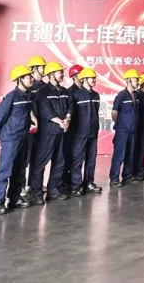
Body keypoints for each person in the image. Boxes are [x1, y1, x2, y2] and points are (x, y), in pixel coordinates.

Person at [0, 65, 35, 215]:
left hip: (23, 137)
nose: (32, 79)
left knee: (19, 170)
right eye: (29, 77)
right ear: (20, 79)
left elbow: (26, 115)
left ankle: (14, 198)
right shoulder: (11, 97)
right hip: (11, 138)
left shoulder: (28, 95)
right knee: (5, 170)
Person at [29, 61, 71, 204]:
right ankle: (36, 193)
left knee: (59, 162)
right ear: (51, 74)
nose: (62, 75)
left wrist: (68, 119)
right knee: (40, 163)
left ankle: (54, 190)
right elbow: (45, 111)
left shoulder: (65, 92)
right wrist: (60, 122)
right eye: (59, 72)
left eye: (62, 72)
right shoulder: (43, 92)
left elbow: (70, 106)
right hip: (47, 133)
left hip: (61, 132)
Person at [69, 68, 102, 196]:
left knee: (91, 159)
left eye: (94, 78)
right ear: (84, 79)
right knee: (77, 160)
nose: (94, 80)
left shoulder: (96, 95)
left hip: (93, 132)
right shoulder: (76, 95)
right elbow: (72, 114)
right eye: (91, 78)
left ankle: (89, 183)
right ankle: (76, 185)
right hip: (80, 134)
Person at [110, 69, 140, 187]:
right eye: (136, 79)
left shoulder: (136, 95)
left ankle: (127, 176)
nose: (138, 82)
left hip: (133, 131)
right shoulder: (121, 96)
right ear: (129, 80)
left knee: (130, 155)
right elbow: (114, 113)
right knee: (119, 155)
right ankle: (114, 179)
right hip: (122, 132)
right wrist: (121, 125)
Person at [23, 55, 47, 196]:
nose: (44, 69)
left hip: (43, 127)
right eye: (42, 67)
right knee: (25, 158)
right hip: (29, 128)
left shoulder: (45, 87)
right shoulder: (27, 86)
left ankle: (35, 184)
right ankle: (21, 186)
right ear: (34, 68)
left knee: (39, 157)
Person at [61, 64, 84, 193]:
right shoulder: (69, 92)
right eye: (80, 74)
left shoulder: (86, 92)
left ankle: (76, 181)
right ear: (74, 76)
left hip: (82, 128)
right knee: (68, 155)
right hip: (71, 129)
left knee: (78, 156)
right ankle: (65, 181)